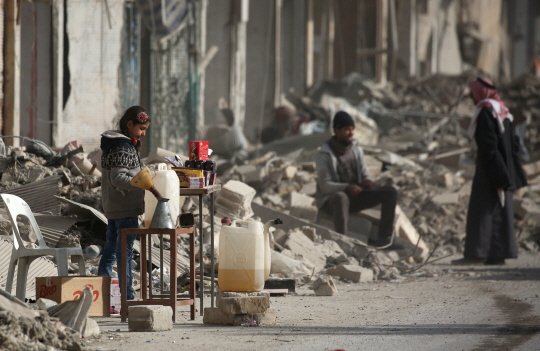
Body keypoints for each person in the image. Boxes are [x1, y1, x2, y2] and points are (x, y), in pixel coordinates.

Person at [453, 78, 527, 265]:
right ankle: (497, 254)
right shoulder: (503, 110)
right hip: (504, 168)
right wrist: (507, 168)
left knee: (482, 211)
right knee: (500, 211)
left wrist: (495, 171)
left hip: (491, 169)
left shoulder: (486, 110)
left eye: (472, 92)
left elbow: (488, 144)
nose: (470, 96)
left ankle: (477, 254)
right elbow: (515, 143)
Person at [316, 111, 398, 247]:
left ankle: (385, 240)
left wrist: (367, 182)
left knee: (390, 192)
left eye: (352, 129)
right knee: (341, 197)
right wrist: (347, 188)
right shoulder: (324, 154)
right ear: (337, 131)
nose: (351, 133)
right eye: (347, 129)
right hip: (332, 201)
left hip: (355, 197)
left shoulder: (356, 149)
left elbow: (365, 173)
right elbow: (325, 186)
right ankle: (343, 243)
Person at [98, 106, 151, 300]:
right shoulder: (122, 146)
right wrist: (144, 184)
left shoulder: (117, 143)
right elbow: (118, 178)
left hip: (114, 207)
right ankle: (127, 300)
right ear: (130, 125)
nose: (144, 133)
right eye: (141, 128)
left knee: (110, 253)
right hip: (125, 208)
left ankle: (100, 300)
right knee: (124, 255)